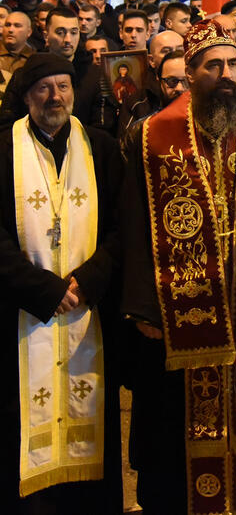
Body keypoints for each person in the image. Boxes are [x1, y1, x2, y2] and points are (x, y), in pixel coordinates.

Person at [120, 20, 236, 515]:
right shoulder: (152, 134)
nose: (225, 74)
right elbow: (134, 223)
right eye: (212, 65)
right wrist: (142, 306)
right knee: (175, 432)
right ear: (191, 71)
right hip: (178, 316)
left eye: (231, 64)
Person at [0, 53, 123, 512]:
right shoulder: (2, 148)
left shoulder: (102, 148)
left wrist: (88, 281)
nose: (55, 97)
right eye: (44, 88)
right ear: (26, 95)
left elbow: (121, 228)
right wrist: (44, 290)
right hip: (19, 312)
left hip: (88, 312)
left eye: (64, 87)